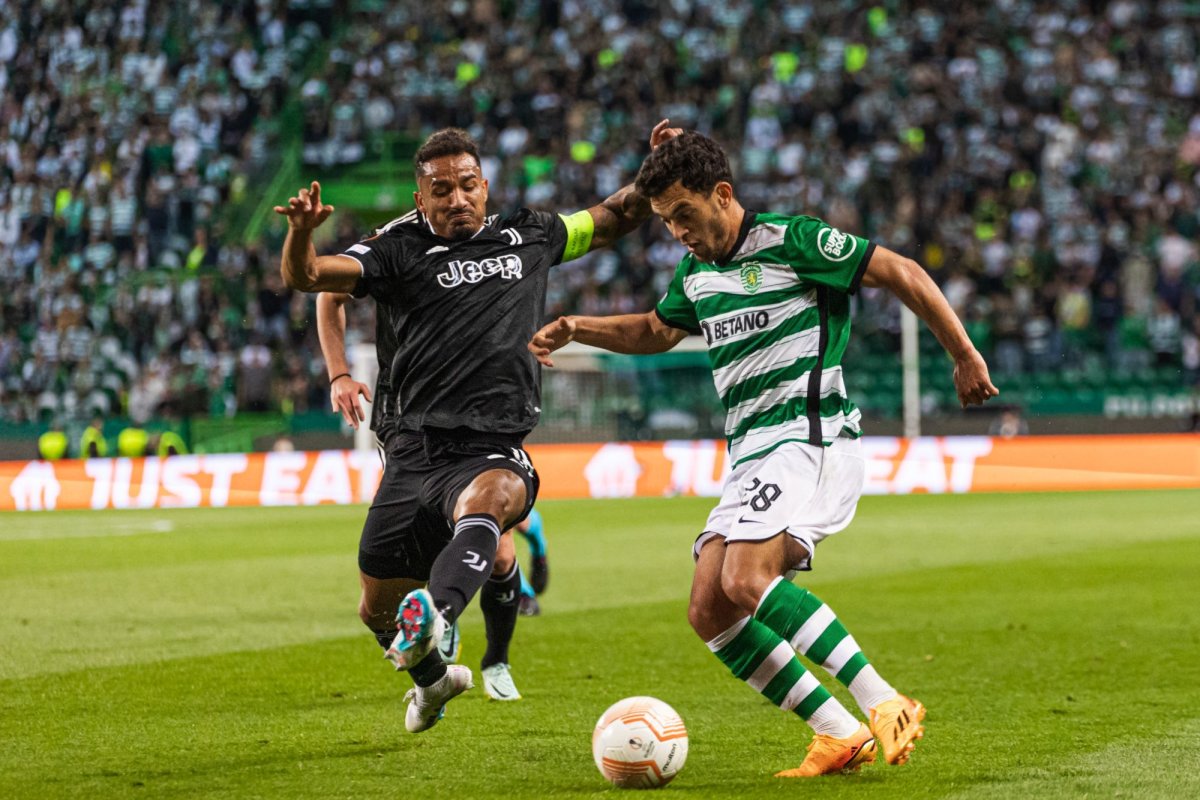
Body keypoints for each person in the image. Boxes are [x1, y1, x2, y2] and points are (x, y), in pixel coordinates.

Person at [529, 130, 998, 778]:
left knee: (745, 579)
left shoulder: (792, 242)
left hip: (810, 437)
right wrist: (580, 326)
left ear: (723, 195)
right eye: (666, 222)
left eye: (685, 216)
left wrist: (964, 354)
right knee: (708, 608)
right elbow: (659, 329)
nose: (677, 233)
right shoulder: (696, 274)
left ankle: (884, 701)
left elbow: (902, 271)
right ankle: (837, 734)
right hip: (753, 452)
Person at [277, 123, 674, 733]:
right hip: (412, 447)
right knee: (374, 610)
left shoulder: (531, 235)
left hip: (493, 441)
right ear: (420, 198)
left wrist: (662, 167)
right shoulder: (393, 249)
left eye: (467, 185)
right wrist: (302, 234)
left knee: (493, 500)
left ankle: (438, 616)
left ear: (484, 186)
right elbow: (309, 280)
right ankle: (434, 681)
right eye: (441, 190)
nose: (456, 198)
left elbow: (617, 214)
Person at [317, 286, 541, 698]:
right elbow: (326, 289)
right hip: (408, 429)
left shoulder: (492, 249)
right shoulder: (395, 245)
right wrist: (338, 373)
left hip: (481, 423)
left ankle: (494, 660)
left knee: (501, 548)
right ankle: (436, 654)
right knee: (383, 598)